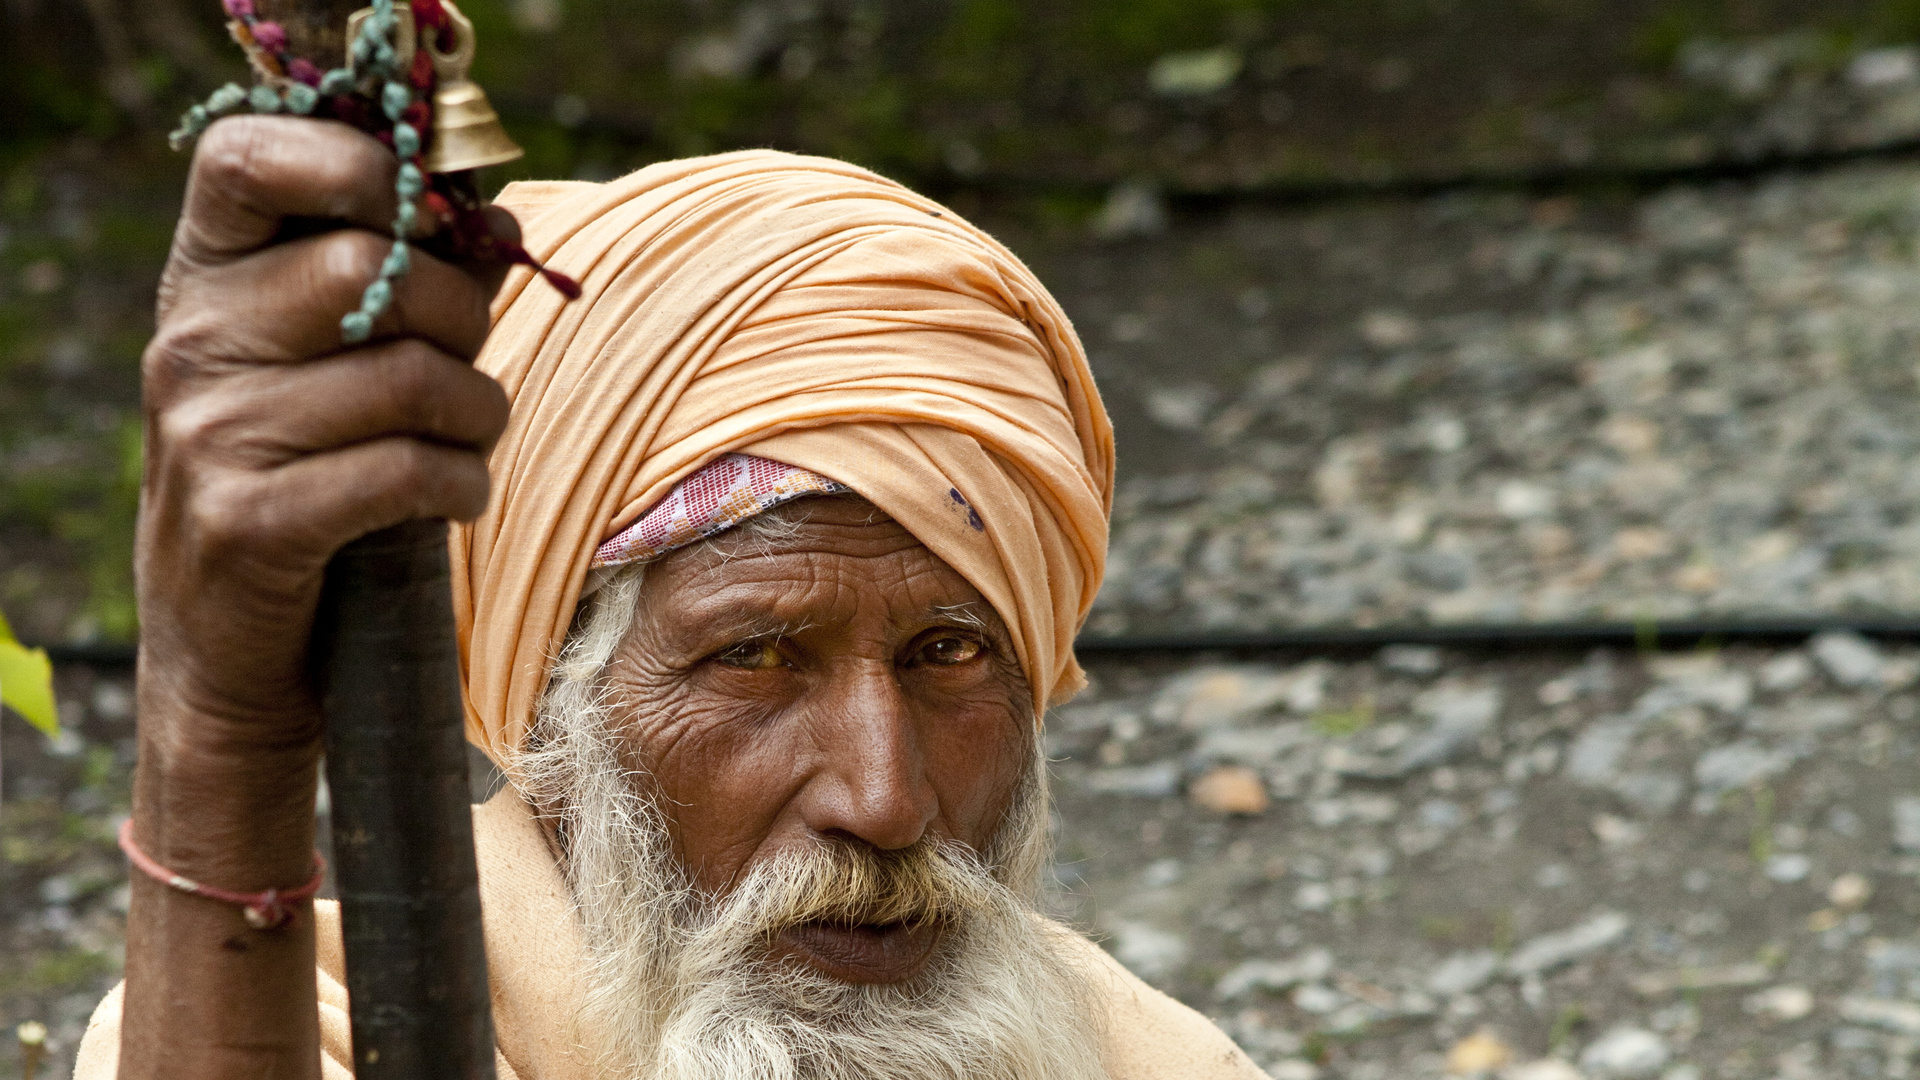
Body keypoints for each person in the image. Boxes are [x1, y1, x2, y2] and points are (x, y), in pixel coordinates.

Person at [74, 116, 1267, 1079]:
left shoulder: (1144, 1060)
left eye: (951, 654)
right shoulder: (298, 1024)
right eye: (753, 657)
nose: (885, 798)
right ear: (554, 707)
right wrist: (219, 720)